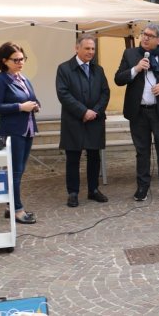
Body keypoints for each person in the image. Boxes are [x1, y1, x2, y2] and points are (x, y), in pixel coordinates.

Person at [114, 23, 159, 201]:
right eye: (144, 34)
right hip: (138, 112)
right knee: (142, 151)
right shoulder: (130, 54)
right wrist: (136, 69)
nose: (145, 37)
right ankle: (142, 188)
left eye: (150, 35)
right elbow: (118, 79)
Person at [56, 34, 111, 207]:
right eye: (87, 48)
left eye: (93, 49)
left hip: (95, 120)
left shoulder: (98, 69)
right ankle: (73, 192)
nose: (90, 52)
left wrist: (95, 111)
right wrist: (83, 111)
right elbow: (63, 94)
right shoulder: (64, 69)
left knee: (94, 157)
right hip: (74, 120)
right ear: (77, 48)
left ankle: (93, 190)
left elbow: (105, 92)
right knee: (73, 158)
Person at [0, 42, 40, 224]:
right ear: (4, 61)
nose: (20, 62)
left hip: (27, 129)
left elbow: (31, 98)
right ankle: (17, 209)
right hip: (12, 131)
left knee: (19, 170)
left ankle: (10, 207)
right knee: (15, 172)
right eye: (16, 60)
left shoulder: (23, 79)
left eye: (22, 59)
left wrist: (35, 104)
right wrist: (20, 107)